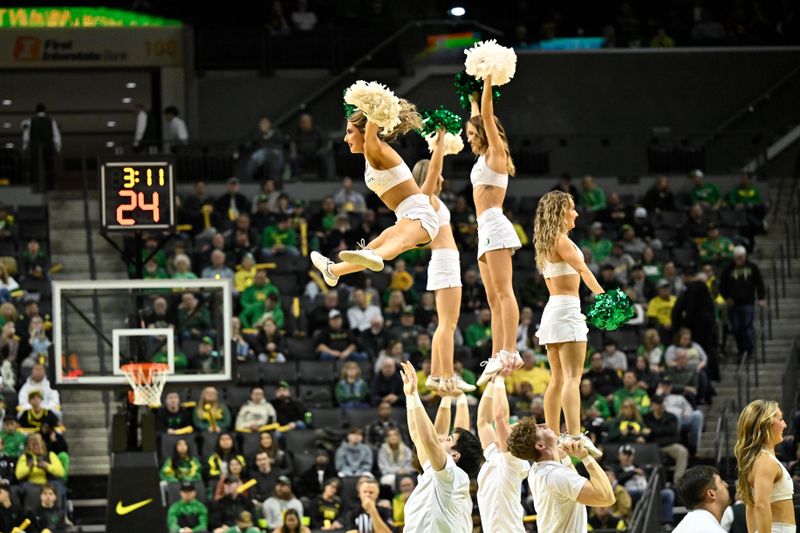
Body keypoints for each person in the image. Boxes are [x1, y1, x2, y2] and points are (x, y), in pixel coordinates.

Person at [311, 91, 437, 288]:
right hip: (404, 215)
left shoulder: (375, 148)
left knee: (396, 240)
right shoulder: (370, 156)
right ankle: (332, 270)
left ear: (365, 131)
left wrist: (372, 102)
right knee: (370, 248)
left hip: (420, 214)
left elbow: (373, 121)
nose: (345, 139)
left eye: (350, 131)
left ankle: (374, 256)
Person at [533, 190, 605, 457]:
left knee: (558, 378)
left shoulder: (546, 242)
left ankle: (552, 433)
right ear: (560, 212)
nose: (576, 213)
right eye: (571, 208)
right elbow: (584, 271)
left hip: (552, 310)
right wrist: (604, 298)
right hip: (566, 310)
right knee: (573, 377)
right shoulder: (562, 241)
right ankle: (575, 435)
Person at [465, 76, 524, 385]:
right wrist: (472, 95)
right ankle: (497, 353)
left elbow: (486, 114)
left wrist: (488, 77)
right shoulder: (480, 157)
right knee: (492, 298)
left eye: (473, 133)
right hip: (483, 228)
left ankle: (511, 350)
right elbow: (477, 112)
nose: (470, 137)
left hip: (496, 225)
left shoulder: (496, 154)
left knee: (504, 291)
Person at [411, 131, 474, 393]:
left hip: (444, 261)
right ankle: (447, 375)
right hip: (445, 261)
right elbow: (435, 166)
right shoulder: (424, 197)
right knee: (448, 323)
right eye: (438, 174)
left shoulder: (430, 200)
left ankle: (436, 375)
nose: (443, 177)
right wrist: (439, 142)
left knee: (445, 323)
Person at [398, 361, 482, 532]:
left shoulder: (451, 474)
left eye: (449, 439)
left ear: (455, 455)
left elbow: (429, 439)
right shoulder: (442, 473)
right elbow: (418, 435)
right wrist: (410, 397)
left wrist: (415, 396)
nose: (442, 439)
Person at [507, 418, 614, 532]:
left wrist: (564, 457)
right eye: (538, 428)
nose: (544, 425)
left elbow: (570, 488)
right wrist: (585, 457)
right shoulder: (555, 475)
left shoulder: (537, 470)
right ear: (540, 445)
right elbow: (606, 498)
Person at [476, 375, 529, 532]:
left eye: (512, 427)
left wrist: (500, 378)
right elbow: (483, 421)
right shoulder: (494, 453)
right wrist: (492, 383)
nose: (508, 427)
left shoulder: (514, 460)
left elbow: (499, 418)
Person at [734, 399, 795, 533]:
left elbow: (751, 505)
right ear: (765, 424)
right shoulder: (765, 461)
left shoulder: (759, 458)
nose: (784, 425)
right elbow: (760, 506)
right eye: (780, 419)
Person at [719, 245, 765, 357]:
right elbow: (721, 286)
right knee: (736, 328)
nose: (739, 260)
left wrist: (761, 298)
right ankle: (741, 349)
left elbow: (759, 283)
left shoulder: (752, 267)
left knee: (747, 326)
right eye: (737, 257)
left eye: (741, 257)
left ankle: (749, 350)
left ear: (745, 256)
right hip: (733, 303)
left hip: (747, 302)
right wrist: (726, 298)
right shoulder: (728, 269)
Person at [672, 465, 729, 532]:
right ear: (711, 494)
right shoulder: (712, 530)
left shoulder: (682, 527)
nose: (726, 485)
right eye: (721, 482)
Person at [22, 103, 61, 190]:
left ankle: (35, 184)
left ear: (36, 111)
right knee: (49, 167)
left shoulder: (30, 121)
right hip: (48, 146)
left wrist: (25, 147)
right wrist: (57, 148)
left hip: (35, 147)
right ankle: (50, 186)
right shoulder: (51, 121)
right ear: (45, 111)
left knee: (35, 167)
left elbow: (26, 135)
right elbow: (56, 136)